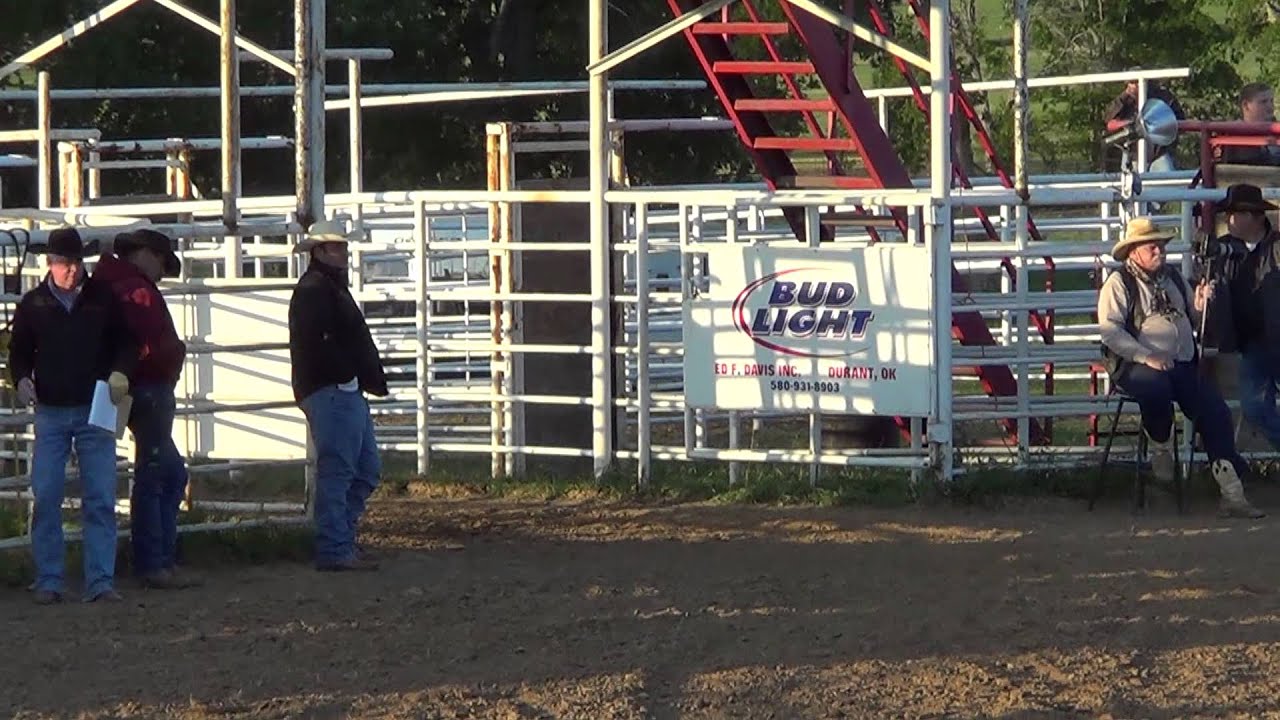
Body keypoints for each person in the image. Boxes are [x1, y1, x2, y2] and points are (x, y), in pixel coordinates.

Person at [1098, 217, 1264, 519]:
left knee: (1214, 409)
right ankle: (1161, 453)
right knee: (1156, 388)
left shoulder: (1172, 278)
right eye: (1153, 247)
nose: (1160, 252)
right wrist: (1145, 355)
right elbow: (1110, 331)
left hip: (1182, 363)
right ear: (1134, 251)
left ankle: (1231, 491)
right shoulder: (1118, 283)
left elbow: (1192, 312)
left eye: (1161, 246)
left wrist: (1200, 303)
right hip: (1137, 367)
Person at [8, 228, 138, 603]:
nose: (71, 270)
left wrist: (121, 371)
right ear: (51, 264)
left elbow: (125, 343)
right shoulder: (35, 305)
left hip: (91, 405)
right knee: (48, 494)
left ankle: (93, 580)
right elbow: (19, 354)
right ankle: (61, 578)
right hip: (59, 408)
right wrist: (20, 379)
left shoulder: (88, 299)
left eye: (76, 263)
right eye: (65, 263)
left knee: (96, 496)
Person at [93, 228, 198, 589]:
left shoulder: (117, 284)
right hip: (148, 387)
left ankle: (157, 559)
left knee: (161, 473)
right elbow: (146, 339)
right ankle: (155, 560)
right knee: (159, 474)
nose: (161, 272)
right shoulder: (135, 290)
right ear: (147, 254)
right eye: (160, 262)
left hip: (135, 387)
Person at [288, 220, 388, 572]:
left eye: (342, 247)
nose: (343, 253)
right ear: (320, 251)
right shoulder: (318, 290)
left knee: (359, 469)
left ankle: (339, 540)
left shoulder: (321, 288)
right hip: (333, 389)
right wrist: (350, 371)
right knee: (345, 470)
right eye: (336, 247)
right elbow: (321, 343)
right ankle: (335, 545)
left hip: (338, 388)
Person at [1225, 185, 1280, 453]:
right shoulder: (1224, 251)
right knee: (1255, 407)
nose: (1230, 218)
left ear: (1255, 216)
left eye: (1237, 212)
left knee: (1256, 405)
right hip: (1253, 343)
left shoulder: (1278, 247)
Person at [1102, 72, 1185, 173]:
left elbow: (1179, 121)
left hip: (1159, 154)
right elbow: (1110, 122)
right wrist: (1132, 123)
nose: (1135, 86)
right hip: (1133, 156)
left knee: (1167, 182)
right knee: (1129, 184)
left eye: (1137, 82)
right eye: (1131, 82)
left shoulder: (1163, 97)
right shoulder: (1124, 102)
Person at [1216, 83, 1280, 166]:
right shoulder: (1237, 134)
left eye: (1271, 101)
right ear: (1246, 105)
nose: (1270, 107)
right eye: (1263, 102)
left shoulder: (1275, 130)